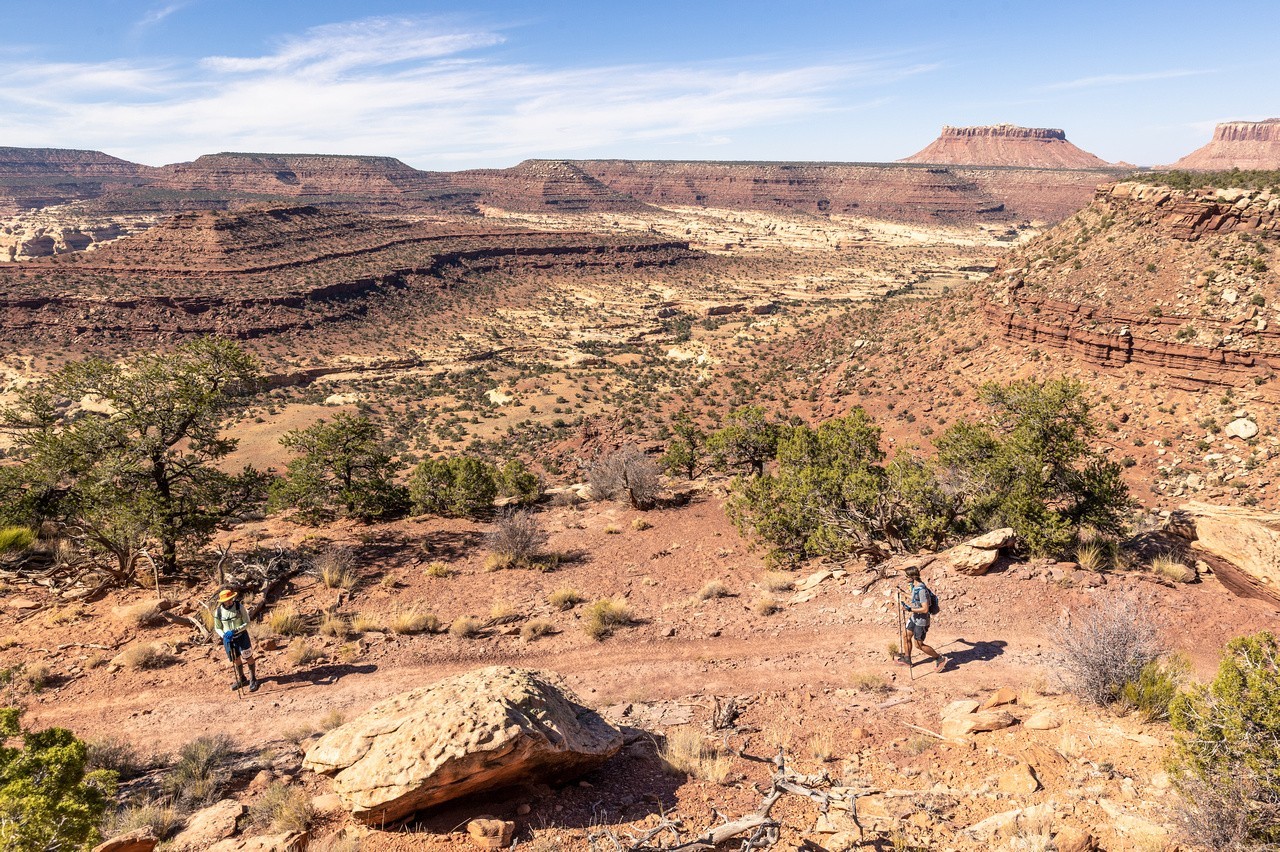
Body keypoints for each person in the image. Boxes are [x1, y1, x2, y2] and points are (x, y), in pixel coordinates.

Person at [897, 566, 946, 672]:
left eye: (906, 576)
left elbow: (924, 609)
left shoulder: (922, 590)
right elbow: (915, 598)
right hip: (915, 618)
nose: (905, 578)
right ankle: (907, 659)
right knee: (906, 636)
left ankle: (939, 658)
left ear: (912, 577)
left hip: (922, 621)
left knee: (919, 645)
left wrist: (909, 609)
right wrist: (903, 593)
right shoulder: (916, 587)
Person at [214, 588, 260, 692]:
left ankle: (253, 679)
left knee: (248, 657)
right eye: (228, 599)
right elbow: (217, 627)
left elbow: (247, 622)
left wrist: (235, 630)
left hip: (241, 637)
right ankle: (242, 679)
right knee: (236, 659)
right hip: (228, 640)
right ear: (223, 601)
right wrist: (224, 635)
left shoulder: (239, 607)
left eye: (231, 598)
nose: (230, 601)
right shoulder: (218, 612)